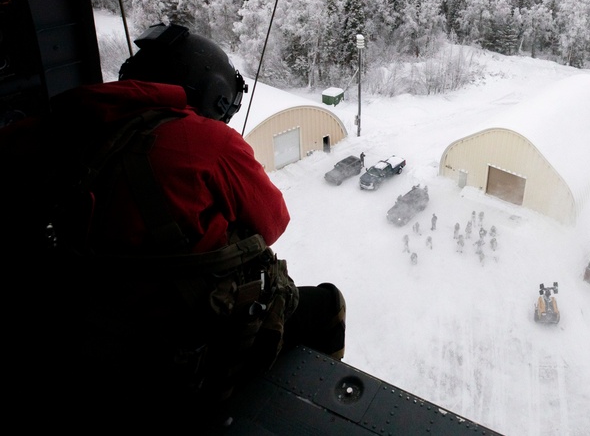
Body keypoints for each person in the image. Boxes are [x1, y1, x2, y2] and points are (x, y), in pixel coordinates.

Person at [2, 23, 344, 430]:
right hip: (171, 355)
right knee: (326, 304)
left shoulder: (39, 131)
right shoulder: (206, 140)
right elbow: (273, 222)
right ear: (211, 94)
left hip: (68, 339)